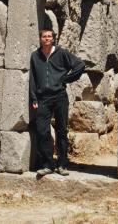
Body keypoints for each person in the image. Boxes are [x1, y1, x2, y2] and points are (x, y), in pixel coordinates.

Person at [29, 29, 85, 177]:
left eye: (49, 36)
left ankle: (62, 164)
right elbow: (33, 79)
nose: (47, 38)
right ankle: (48, 164)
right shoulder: (35, 56)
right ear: (40, 38)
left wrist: (65, 79)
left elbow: (80, 65)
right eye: (44, 36)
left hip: (60, 96)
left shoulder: (62, 53)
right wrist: (34, 98)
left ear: (53, 39)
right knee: (42, 130)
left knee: (61, 130)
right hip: (43, 99)